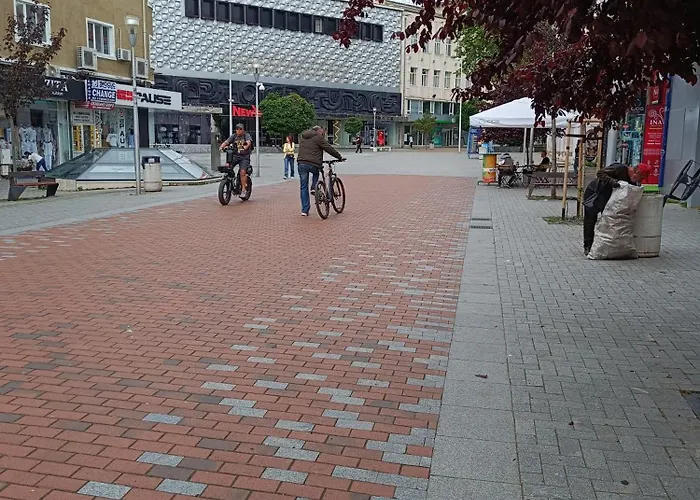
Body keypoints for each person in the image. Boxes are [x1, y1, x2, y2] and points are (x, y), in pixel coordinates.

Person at [582, 162, 653, 255]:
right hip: (595, 194)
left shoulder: (632, 181)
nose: (641, 180)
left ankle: (604, 245)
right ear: (637, 172)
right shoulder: (620, 168)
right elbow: (600, 173)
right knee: (590, 221)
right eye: (642, 177)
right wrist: (612, 182)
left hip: (607, 199)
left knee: (608, 222)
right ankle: (588, 246)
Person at [296, 126, 344, 216]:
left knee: (303, 187)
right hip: (313, 163)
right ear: (318, 131)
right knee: (316, 172)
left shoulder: (303, 137)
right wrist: (339, 157)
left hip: (301, 163)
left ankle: (305, 210)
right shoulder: (318, 137)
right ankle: (314, 187)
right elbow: (329, 148)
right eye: (322, 131)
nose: (323, 133)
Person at [219, 123, 253, 197]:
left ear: (243, 130)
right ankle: (230, 179)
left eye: (240, 129)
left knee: (242, 172)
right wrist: (221, 147)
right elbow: (226, 142)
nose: (239, 131)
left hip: (244, 157)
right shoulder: (234, 136)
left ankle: (243, 190)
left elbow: (248, 142)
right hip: (235, 156)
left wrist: (245, 146)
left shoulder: (246, 135)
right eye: (237, 129)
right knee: (227, 167)